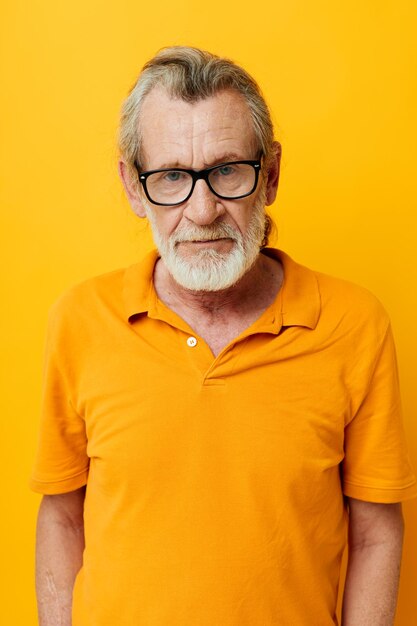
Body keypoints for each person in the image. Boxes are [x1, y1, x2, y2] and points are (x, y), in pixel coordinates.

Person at [31, 46, 416, 626]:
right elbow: (61, 517)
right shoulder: (79, 321)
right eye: (170, 177)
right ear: (133, 188)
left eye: (228, 169)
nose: (203, 208)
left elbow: (375, 532)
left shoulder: (354, 324)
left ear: (273, 175)